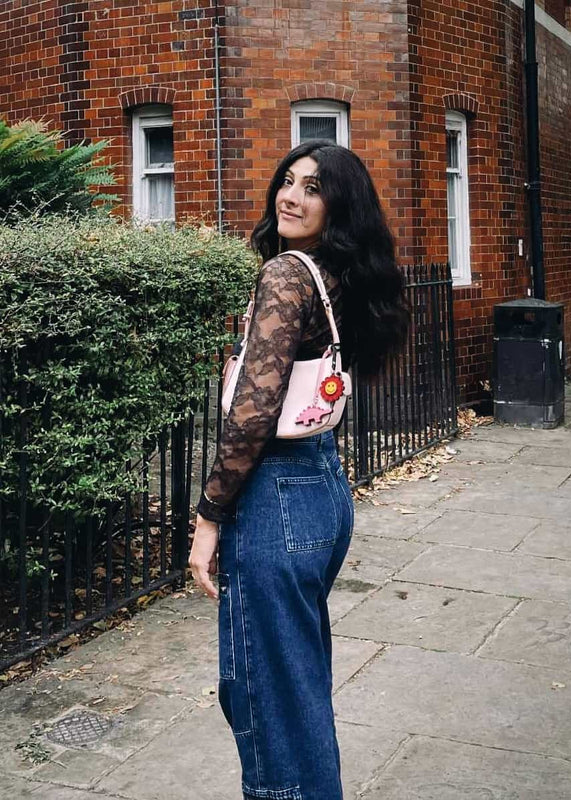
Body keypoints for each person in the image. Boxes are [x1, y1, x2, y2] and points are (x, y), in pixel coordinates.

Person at [189, 140, 410, 800]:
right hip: (322, 491)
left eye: (312, 188)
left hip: (276, 495)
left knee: (267, 703)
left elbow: (252, 414)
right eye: (287, 181)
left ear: (337, 207)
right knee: (297, 689)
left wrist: (208, 518)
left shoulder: (288, 275)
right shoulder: (338, 279)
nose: (291, 195)